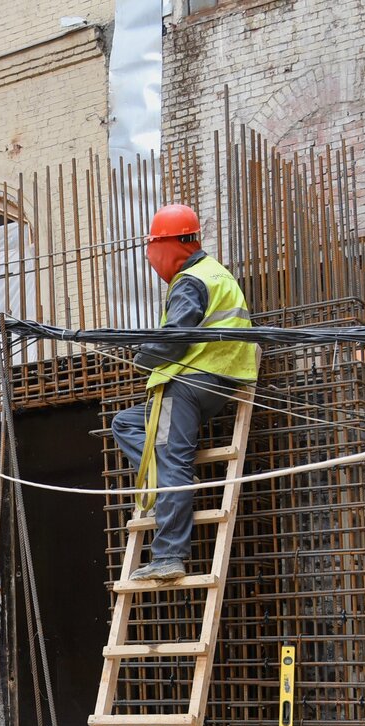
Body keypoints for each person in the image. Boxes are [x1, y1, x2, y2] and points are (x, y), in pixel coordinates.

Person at [110, 203, 259, 583]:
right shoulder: (217, 274)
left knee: (172, 460)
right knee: (126, 424)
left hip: (188, 384)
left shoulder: (190, 280)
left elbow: (174, 339)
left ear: (167, 244)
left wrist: (143, 358)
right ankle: (160, 478)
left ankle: (168, 554)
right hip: (220, 380)